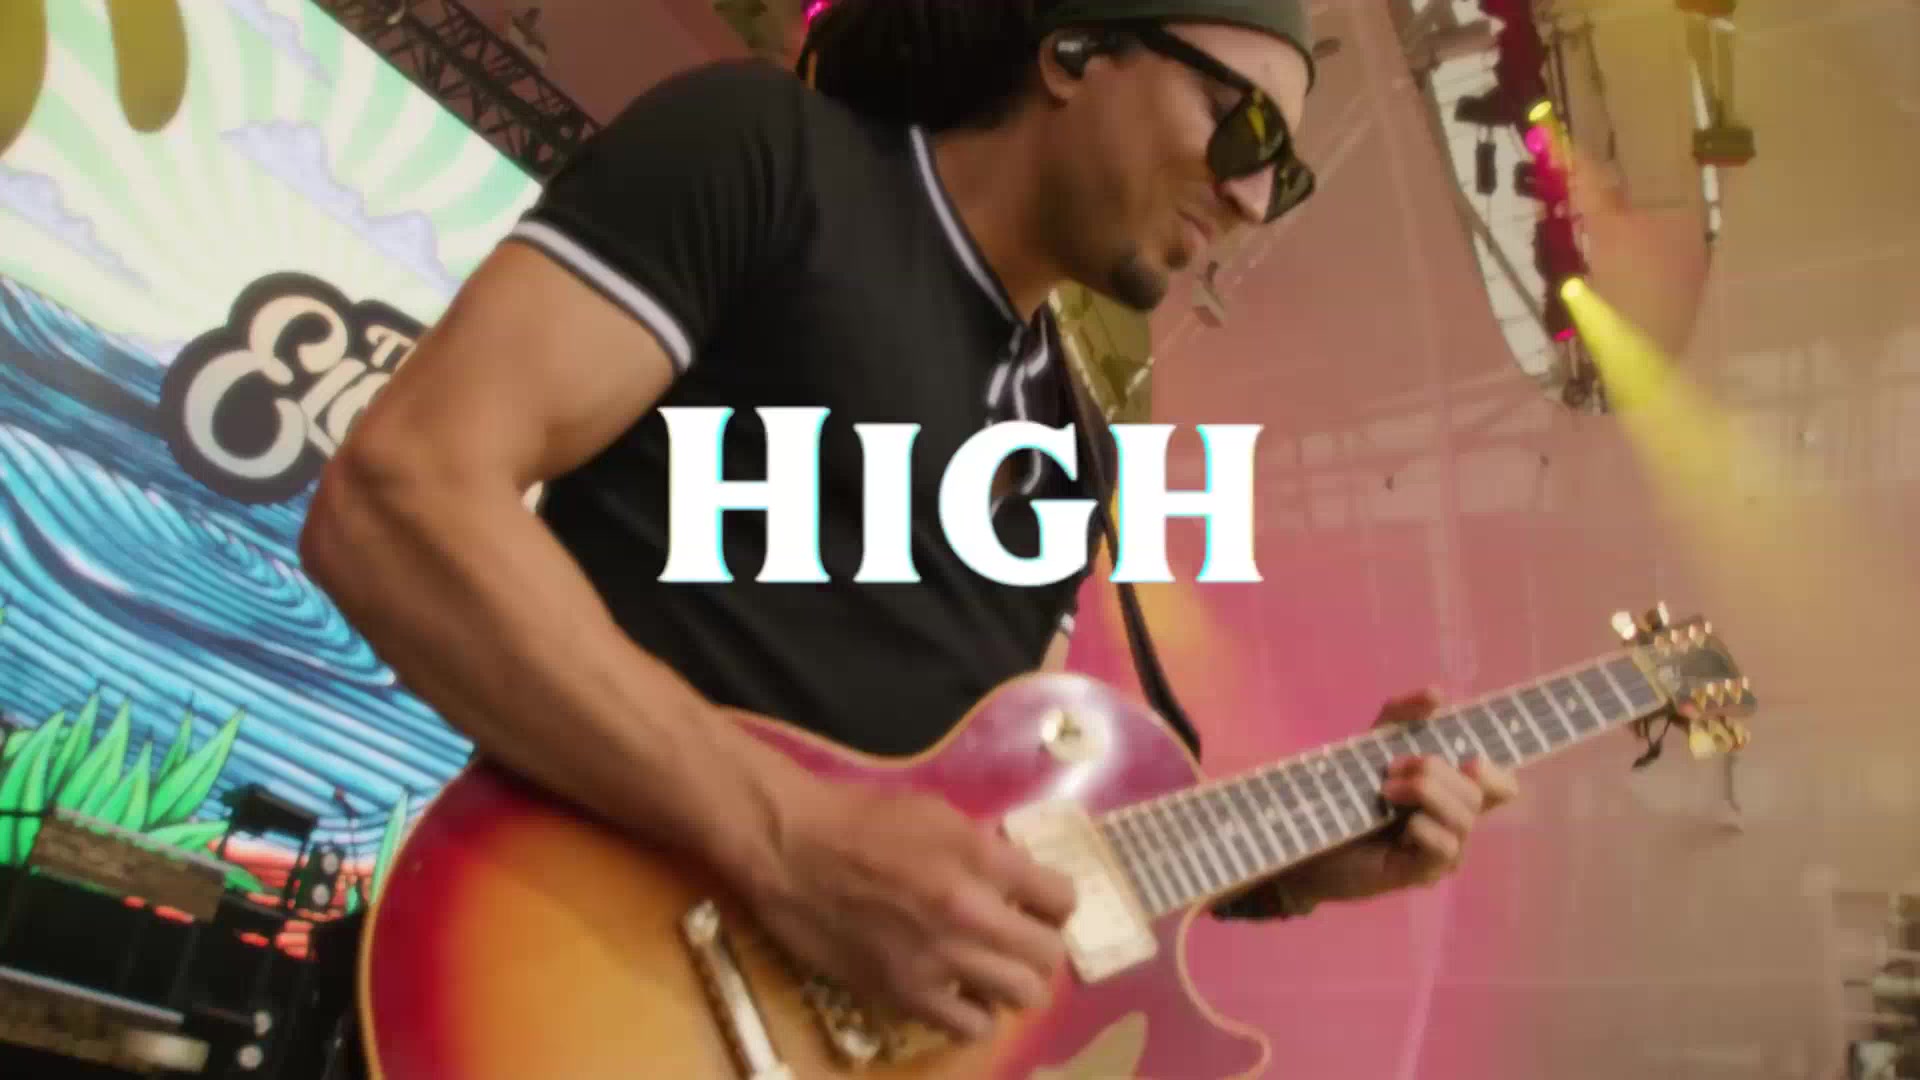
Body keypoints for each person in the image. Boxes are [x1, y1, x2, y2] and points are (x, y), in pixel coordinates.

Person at [299, 0, 1518, 1047]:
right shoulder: (769, 156)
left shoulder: (1075, 451)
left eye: (1284, 174)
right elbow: (401, 500)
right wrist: (784, 838)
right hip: (555, 1003)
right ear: (1076, 51)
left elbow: (1000, 843)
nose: (1253, 198)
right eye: (1243, 126)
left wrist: (1292, 859)